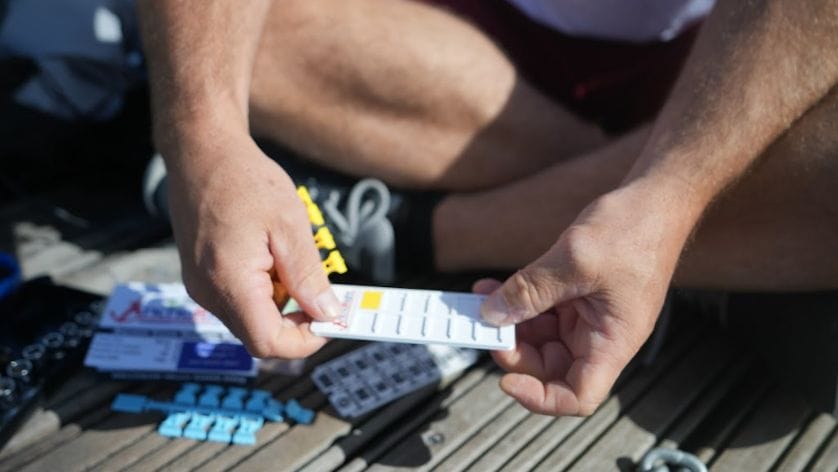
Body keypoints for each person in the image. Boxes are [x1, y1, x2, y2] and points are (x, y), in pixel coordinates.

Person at [136, 0, 838, 417]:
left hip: (732, 65)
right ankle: (729, 242)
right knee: (216, 40)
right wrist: (203, 134)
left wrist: (672, 194)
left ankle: (416, 233)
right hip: (450, 42)